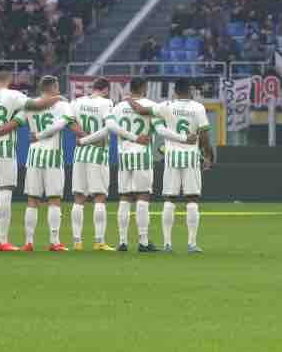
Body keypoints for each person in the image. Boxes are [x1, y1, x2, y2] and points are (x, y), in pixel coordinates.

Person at [0, 75, 81, 251]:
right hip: (53, 157)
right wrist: (87, 136)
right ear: (55, 87)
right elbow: (67, 125)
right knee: (54, 200)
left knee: (32, 200)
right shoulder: (63, 104)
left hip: (33, 156)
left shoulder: (30, 105)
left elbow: (14, 123)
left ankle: (28, 242)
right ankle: (54, 241)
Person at [0, 67, 61, 251]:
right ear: (10, 78)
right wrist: (57, 98)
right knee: (5, 192)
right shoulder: (16, 96)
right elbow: (33, 109)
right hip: (5, 150)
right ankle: (2, 240)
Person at [128, 78, 214, 253]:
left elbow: (141, 110)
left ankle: (167, 243)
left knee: (169, 199)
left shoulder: (166, 105)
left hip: (171, 156)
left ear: (175, 91)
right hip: (190, 156)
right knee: (192, 199)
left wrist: (129, 99)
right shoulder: (198, 108)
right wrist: (208, 156)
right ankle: (191, 243)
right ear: (190, 91)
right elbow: (204, 136)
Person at [70, 77, 138, 251]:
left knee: (79, 198)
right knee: (99, 197)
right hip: (98, 154)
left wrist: (83, 137)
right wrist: (89, 140)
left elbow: (70, 122)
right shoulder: (107, 103)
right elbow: (109, 127)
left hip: (80, 154)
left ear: (94, 88)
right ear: (106, 90)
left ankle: (77, 241)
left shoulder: (77, 102)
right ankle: (99, 241)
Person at [112, 77, 160, 250]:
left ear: (130, 88)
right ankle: (143, 241)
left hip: (124, 155)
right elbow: (157, 127)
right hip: (142, 155)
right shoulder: (151, 105)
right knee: (143, 196)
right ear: (144, 88)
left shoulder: (118, 107)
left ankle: (123, 241)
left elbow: (111, 127)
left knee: (125, 197)